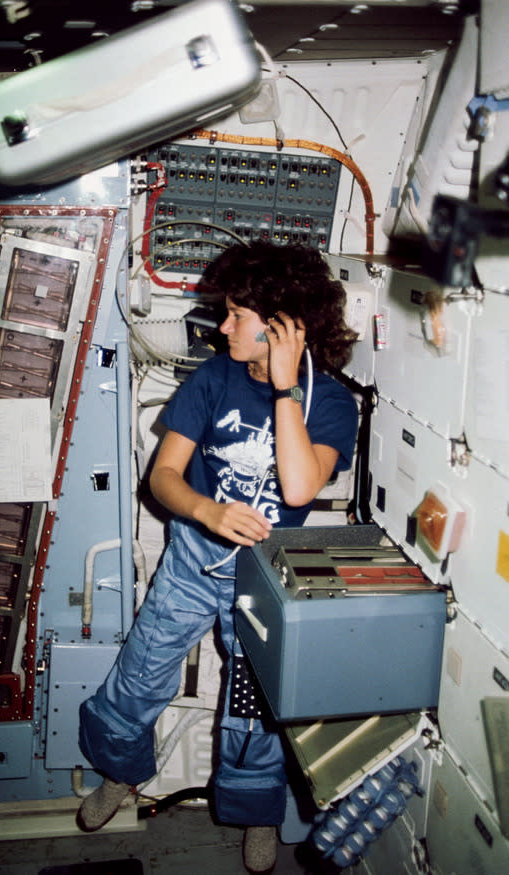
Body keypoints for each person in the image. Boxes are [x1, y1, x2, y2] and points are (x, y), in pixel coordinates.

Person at [77, 241, 359, 873]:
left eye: (238, 316)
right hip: (192, 558)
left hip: (265, 577)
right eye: (226, 313)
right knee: (143, 667)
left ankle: (256, 810)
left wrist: (286, 388)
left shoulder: (331, 403)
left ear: (285, 327)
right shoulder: (213, 376)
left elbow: (297, 488)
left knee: (253, 701)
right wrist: (207, 512)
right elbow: (164, 478)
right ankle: (121, 773)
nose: (222, 326)